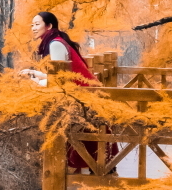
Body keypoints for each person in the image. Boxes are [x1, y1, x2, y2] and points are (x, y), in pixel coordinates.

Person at [32, 10, 117, 174]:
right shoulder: (57, 41)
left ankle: (90, 180)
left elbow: (59, 80)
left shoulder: (54, 44)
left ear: (49, 26)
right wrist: (37, 75)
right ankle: (96, 175)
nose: (33, 28)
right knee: (90, 142)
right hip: (86, 95)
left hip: (82, 98)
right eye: (32, 25)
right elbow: (61, 75)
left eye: (37, 24)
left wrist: (37, 82)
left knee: (87, 140)